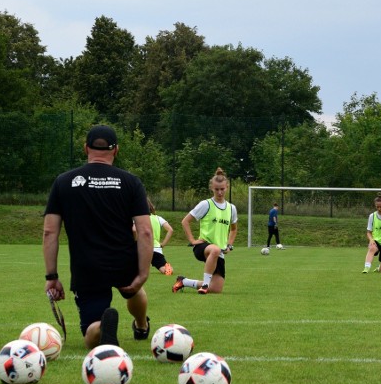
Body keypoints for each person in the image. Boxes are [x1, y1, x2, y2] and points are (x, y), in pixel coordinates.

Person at [43, 125, 153, 349]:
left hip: (87, 266)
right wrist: (142, 272)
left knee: (91, 330)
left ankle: (102, 327)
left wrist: (52, 276)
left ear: (86, 148)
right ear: (116, 150)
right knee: (134, 289)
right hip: (123, 259)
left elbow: (50, 232)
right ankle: (141, 324)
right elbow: (145, 231)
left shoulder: (63, 182)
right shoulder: (131, 182)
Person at [173, 167, 238, 295]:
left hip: (218, 251)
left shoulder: (231, 208)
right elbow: (185, 221)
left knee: (217, 289)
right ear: (211, 188)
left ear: (227, 187)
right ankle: (205, 285)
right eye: (216, 189)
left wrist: (229, 245)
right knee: (214, 249)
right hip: (203, 247)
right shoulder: (206, 204)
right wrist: (192, 240)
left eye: (222, 189)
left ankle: (184, 281)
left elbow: (234, 229)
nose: (219, 192)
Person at [146, 197, 174, 275]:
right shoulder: (158, 218)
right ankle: (168, 268)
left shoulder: (138, 219)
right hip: (156, 249)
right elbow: (170, 230)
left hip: (143, 248)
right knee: (163, 269)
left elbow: (134, 230)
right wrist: (163, 244)